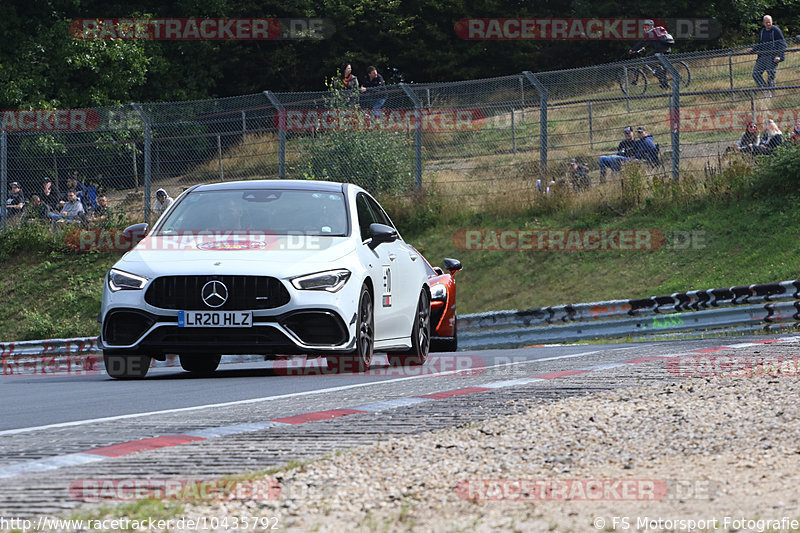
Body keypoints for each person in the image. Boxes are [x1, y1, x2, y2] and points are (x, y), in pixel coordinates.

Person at [629, 19, 673, 89]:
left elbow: (641, 42)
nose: (645, 28)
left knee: (647, 58)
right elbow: (653, 42)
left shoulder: (650, 33)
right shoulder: (656, 32)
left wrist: (632, 50)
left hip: (659, 50)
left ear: (651, 26)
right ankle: (665, 85)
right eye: (644, 27)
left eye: (647, 26)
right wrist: (644, 47)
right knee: (661, 68)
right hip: (667, 49)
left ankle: (659, 70)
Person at [749, 15, 786, 91]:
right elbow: (760, 43)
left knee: (771, 76)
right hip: (762, 57)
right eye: (766, 22)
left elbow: (783, 43)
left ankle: (772, 93)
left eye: (769, 22)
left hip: (772, 57)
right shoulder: (762, 31)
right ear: (763, 23)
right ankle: (764, 90)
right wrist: (753, 49)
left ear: (772, 21)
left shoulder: (775, 30)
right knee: (756, 74)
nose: (768, 24)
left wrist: (779, 56)